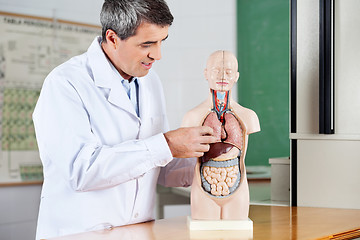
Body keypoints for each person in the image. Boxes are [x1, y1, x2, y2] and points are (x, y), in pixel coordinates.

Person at [32, 0, 216, 239]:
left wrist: (206, 156)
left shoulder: (149, 81)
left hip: (137, 231)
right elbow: (81, 170)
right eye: (147, 44)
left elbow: (158, 168)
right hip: (80, 233)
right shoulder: (65, 83)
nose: (157, 55)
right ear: (112, 38)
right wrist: (167, 144)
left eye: (162, 42)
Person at [182, 50, 260, 220]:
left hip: (237, 186)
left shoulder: (248, 116)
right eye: (216, 70)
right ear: (206, 74)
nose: (222, 76)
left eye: (228, 72)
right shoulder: (192, 117)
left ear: (236, 77)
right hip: (203, 186)